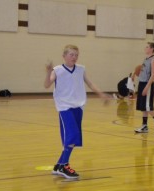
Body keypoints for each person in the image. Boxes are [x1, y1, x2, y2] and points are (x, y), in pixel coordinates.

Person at [44, 44, 110, 179]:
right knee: (72, 135)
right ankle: (64, 166)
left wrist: (101, 94)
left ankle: (59, 165)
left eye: (76, 55)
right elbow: (46, 85)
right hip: (64, 107)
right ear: (64, 56)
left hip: (78, 106)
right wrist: (47, 71)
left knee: (71, 138)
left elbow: (90, 83)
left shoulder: (80, 69)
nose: (74, 57)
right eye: (71, 54)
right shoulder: (57, 70)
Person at [134, 42, 154, 134]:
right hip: (141, 83)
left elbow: (153, 75)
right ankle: (144, 126)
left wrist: (147, 87)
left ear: (151, 49)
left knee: (148, 107)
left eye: (147, 47)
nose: (145, 48)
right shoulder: (145, 59)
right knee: (143, 107)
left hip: (148, 84)